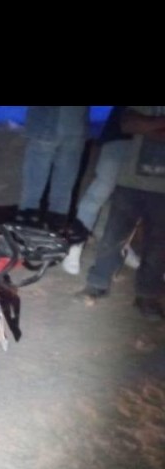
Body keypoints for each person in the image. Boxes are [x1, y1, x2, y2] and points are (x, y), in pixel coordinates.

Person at [79, 106, 165, 321]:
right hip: (130, 180)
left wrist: (148, 125)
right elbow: (127, 124)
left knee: (158, 245)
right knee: (113, 235)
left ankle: (147, 296)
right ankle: (98, 283)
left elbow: (138, 125)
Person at [62, 106, 139, 275]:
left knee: (130, 199)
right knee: (100, 190)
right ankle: (74, 245)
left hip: (149, 144)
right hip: (121, 136)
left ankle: (122, 246)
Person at [16, 106, 89, 231]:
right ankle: (55, 228)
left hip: (45, 124)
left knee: (33, 187)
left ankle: (27, 223)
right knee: (63, 188)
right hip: (75, 127)